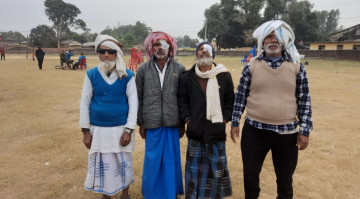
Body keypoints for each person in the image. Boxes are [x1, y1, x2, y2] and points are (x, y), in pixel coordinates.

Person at [231, 20, 313, 199]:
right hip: (254, 131)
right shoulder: (251, 66)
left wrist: (305, 131)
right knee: (250, 177)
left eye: (277, 35)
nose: (273, 39)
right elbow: (240, 96)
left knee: (285, 181)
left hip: (287, 134)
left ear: (284, 40)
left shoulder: (297, 67)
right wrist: (235, 121)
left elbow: (304, 101)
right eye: (268, 36)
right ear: (262, 41)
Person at [79, 35, 138, 199]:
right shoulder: (91, 75)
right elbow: (84, 103)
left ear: (116, 53)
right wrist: (85, 131)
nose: (106, 55)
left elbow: (134, 104)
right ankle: (106, 196)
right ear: (98, 53)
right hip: (98, 129)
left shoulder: (127, 76)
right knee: (103, 164)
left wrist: (129, 130)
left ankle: (125, 194)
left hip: (121, 129)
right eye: (102, 51)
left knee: (123, 162)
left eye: (110, 51)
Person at [178, 42, 234, 199]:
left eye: (207, 50)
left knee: (215, 170)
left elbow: (230, 99)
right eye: (200, 50)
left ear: (213, 55)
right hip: (195, 130)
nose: (204, 52)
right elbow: (182, 100)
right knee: (195, 172)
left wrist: (225, 118)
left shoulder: (224, 75)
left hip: (216, 131)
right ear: (196, 55)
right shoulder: (187, 77)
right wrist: (187, 118)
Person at [136, 31, 185, 199]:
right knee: (153, 160)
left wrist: (182, 122)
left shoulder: (179, 69)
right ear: (151, 48)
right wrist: (140, 122)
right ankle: (151, 193)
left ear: (170, 47)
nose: (159, 48)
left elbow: (182, 98)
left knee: (171, 160)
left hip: (172, 121)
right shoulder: (143, 70)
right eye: (156, 44)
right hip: (152, 122)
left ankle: (172, 192)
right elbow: (138, 97)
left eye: (163, 44)